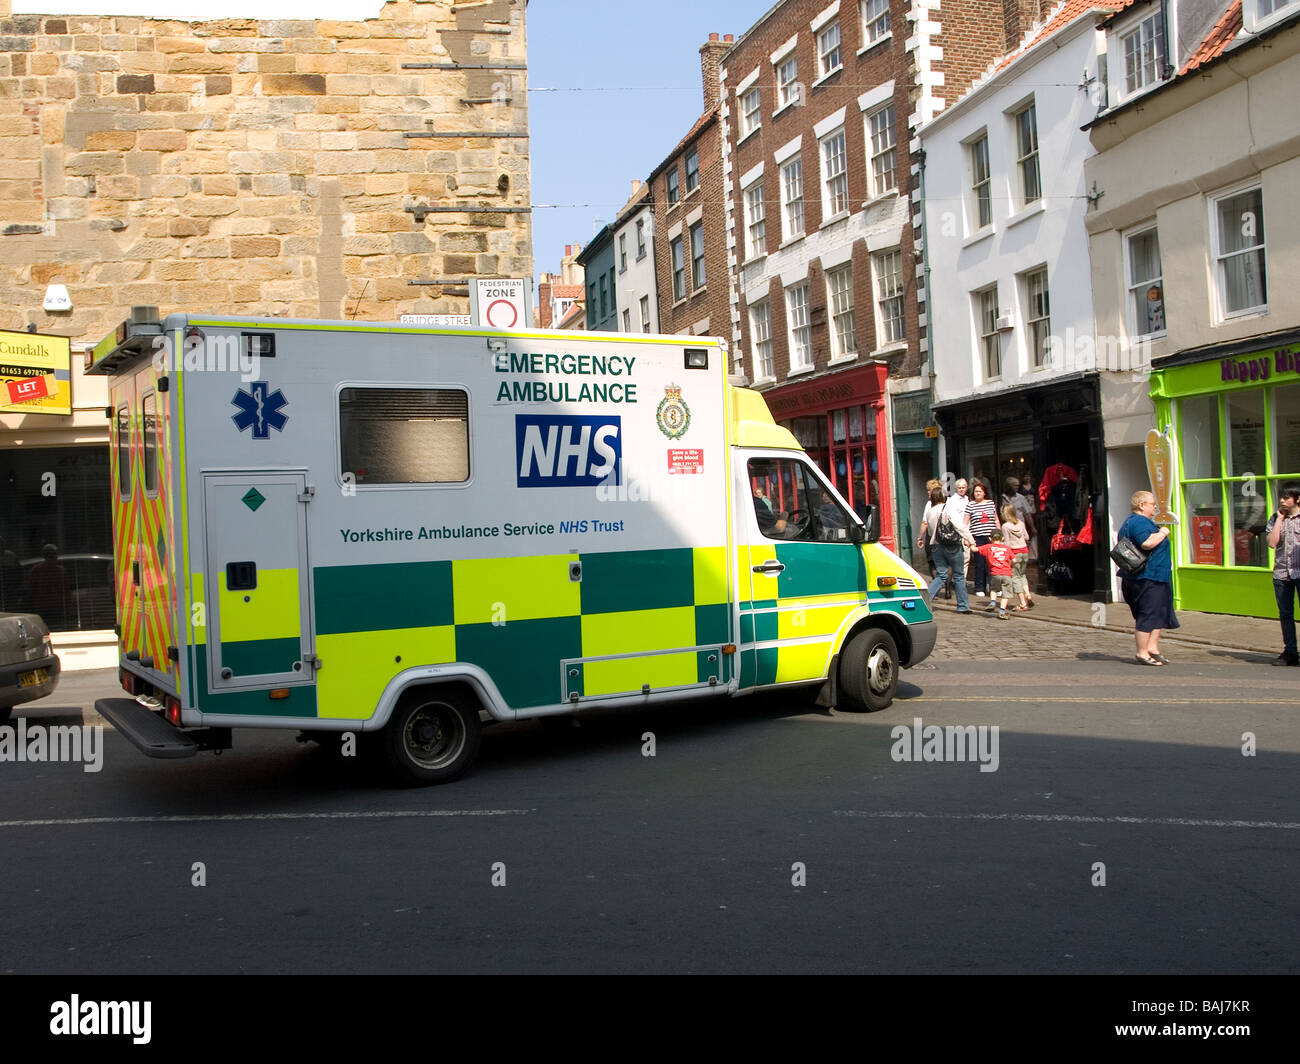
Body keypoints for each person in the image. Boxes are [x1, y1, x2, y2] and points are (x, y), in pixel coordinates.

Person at [1117, 491, 1177, 665]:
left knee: (1158, 612)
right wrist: (1164, 532)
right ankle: (1142, 653)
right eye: (1153, 504)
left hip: (1153, 576)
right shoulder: (1139, 521)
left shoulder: (1133, 521)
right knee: (1148, 613)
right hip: (1147, 577)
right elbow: (1147, 543)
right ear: (1142, 505)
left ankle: (1152, 648)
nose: (1155, 507)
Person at [920, 484, 974, 614]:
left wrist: (920, 538)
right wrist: (970, 540)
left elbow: (930, 530)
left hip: (936, 546)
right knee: (959, 575)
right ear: (942, 497)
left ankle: (924, 600)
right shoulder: (947, 508)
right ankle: (963, 606)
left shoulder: (929, 512)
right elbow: (959, 526)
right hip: (952, 546)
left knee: (941, 575)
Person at [1264, 483, 1300, 666]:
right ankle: (1290, 652)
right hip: (1281, 573)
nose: (1282, 500)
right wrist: (1279, 520)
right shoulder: (1275, 518)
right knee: (1286, 614)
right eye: (1281, 497)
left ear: (1297, 499)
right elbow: (1271, 543)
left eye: (1286, 497)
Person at [966, 482, 998, 598]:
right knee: (980, 564)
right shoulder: (970, 505)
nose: (978, 493)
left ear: (984, 493)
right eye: (976, 491)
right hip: (977, 537)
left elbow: (996, 519)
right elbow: (965, 523)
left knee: (993, 563)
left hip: (991, 537)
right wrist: (967, 538)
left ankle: (994, 587)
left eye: (980, 491)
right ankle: (979, 587)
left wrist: (999, 534)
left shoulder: (990, 504)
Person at [27, 543, 70, 629]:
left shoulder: (37, 570)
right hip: (54, 606)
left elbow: (32, 589)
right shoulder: (60, 571)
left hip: (45, 606)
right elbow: (66, 591)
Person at [1001, 502, 1034, 611]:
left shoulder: (1005, 526)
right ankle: (1028, 594)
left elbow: (1007, 544)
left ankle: (1023, 603)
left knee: (1015, 577)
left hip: (1015, 553)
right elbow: (1027, 537)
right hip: (1025, 551)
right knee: (1022, 575)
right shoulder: (1020, 522)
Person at [976, 529, 1015, 618]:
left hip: (995, 573)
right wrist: (1011, 565)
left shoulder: (988, 547)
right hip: (1007, 573)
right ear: (1003, 538)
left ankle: (993, 602)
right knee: (1006, 594)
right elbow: (1014, 560)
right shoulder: (1007, 548)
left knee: (993, 589)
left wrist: (970, 543)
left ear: (990, 538)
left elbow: (975, 549)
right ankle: (1001, 611)